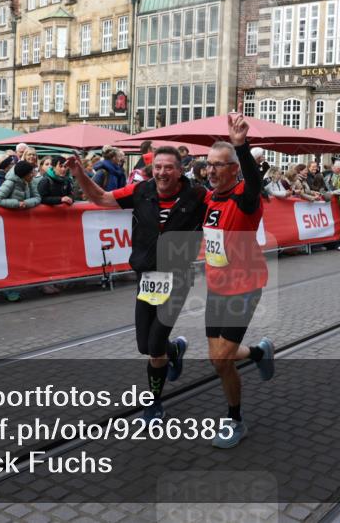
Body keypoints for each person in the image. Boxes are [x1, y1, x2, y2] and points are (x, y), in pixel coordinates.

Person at [69, 145, 207, 423]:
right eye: (158, 167)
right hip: (147, 276)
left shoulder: (198, 194)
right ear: (151, 169)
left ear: (180, 170)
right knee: (145, 346)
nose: (162, 172)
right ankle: (175, 349)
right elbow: (102, 199)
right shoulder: (141, 190)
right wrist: (79, 174)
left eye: (169, 167)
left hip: (177, 277)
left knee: (155, 345)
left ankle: (154, 403)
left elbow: (226, 210)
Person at [202, 113, 275, 449]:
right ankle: (259, 353)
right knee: (218, 358)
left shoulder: (245, 197)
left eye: (219, 165)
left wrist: (241, 146)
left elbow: (254, 182)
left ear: (234, 169)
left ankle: (235, 420)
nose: (212, 170)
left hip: (245, 286)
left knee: (221, 360)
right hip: (216, 285)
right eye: (208, 165)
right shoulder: (207, 199)